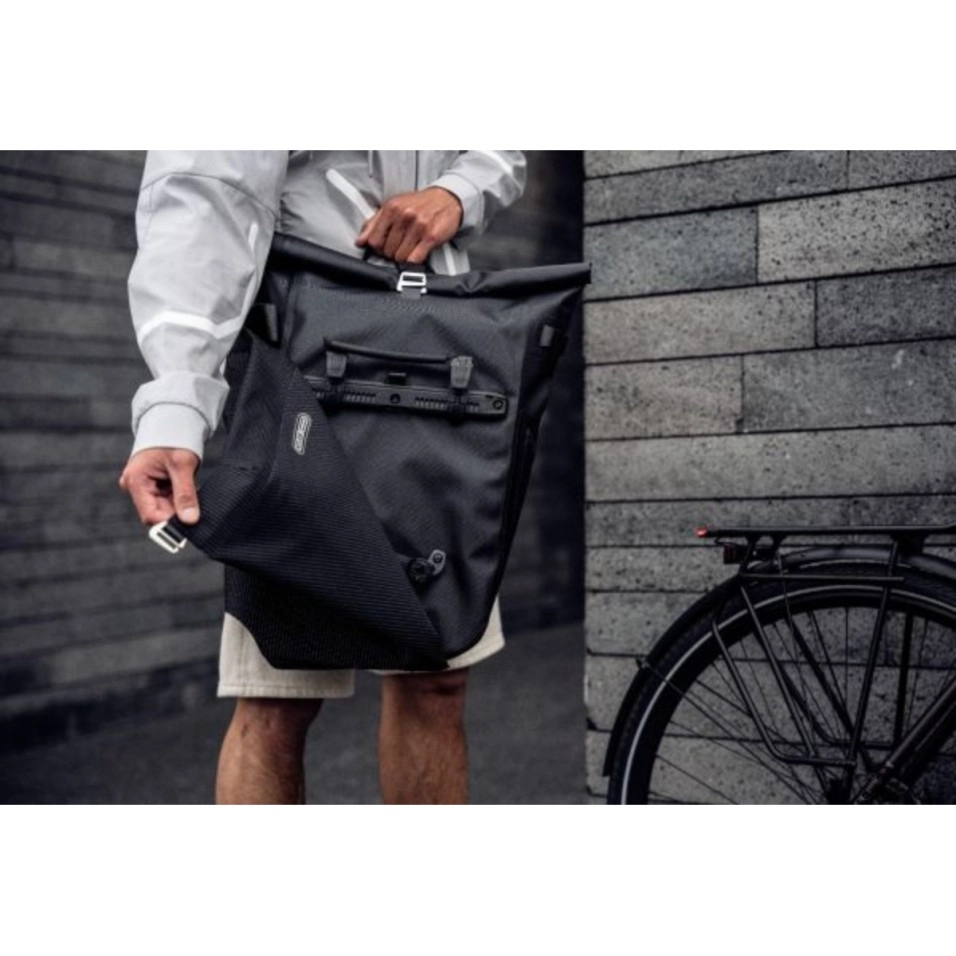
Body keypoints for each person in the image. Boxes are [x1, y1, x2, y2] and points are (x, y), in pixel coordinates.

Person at [118, 151, 527, 804]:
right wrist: (175, 403)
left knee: (437, 681)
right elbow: (203, 194)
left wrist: (456, 193)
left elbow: (503, 148)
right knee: (278, 696)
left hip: (436, 364)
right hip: (308, 373)